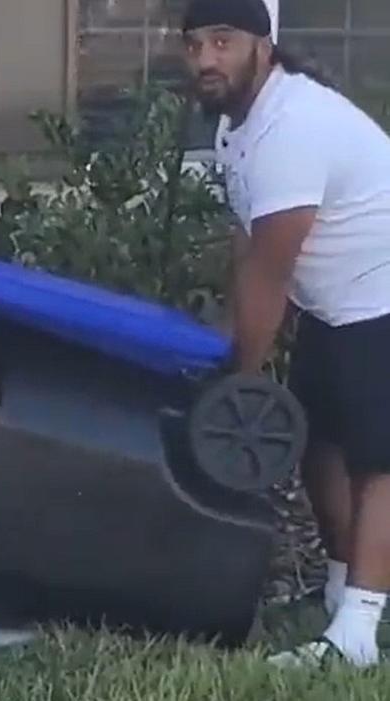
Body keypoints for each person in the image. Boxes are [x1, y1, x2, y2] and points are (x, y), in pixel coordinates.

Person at [181, 0, 390, 668]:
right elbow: (247, 246)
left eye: (223, 40)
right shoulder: (237, 127)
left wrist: (238, 377)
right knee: (317, 442)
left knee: (377, 463)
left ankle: (358, 629)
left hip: (382, 296)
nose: (206, 58)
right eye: (194, 45)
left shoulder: (291, 128)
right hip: (339, 303)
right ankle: (336, 590)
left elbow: (271, 276)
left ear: (261, 47)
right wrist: (227, 347)